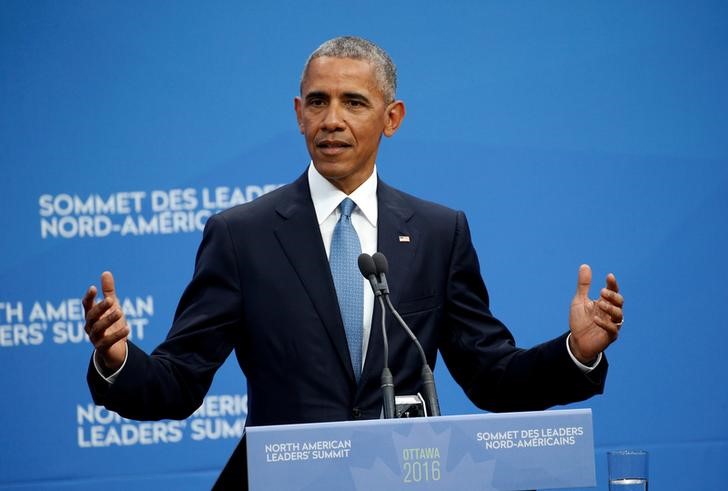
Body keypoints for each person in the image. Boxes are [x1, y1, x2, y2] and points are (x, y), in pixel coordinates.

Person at [84, 36, 624, 489]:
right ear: (298, 115)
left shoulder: (438, 231)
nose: (332, 120)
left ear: (392, 118)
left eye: (354, 103)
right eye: (317, 102)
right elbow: (179, 381)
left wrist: (575, 352)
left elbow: (492, 376)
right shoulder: (240, 235)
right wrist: (118, 360)